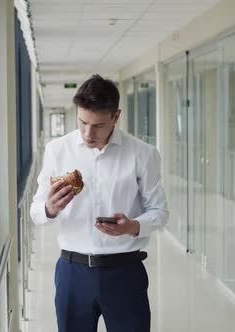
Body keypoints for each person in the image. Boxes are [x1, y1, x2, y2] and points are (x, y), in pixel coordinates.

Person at [30, 74, 169, 332]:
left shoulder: (143, 154)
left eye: (97, 125)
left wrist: (132, 226)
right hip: (72, 274)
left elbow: (160, 212)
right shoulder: (57, 150)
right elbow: (36, 211)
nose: (87, 133)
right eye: (82, 122)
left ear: (116, 117)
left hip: (125, 272)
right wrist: (49, 208)